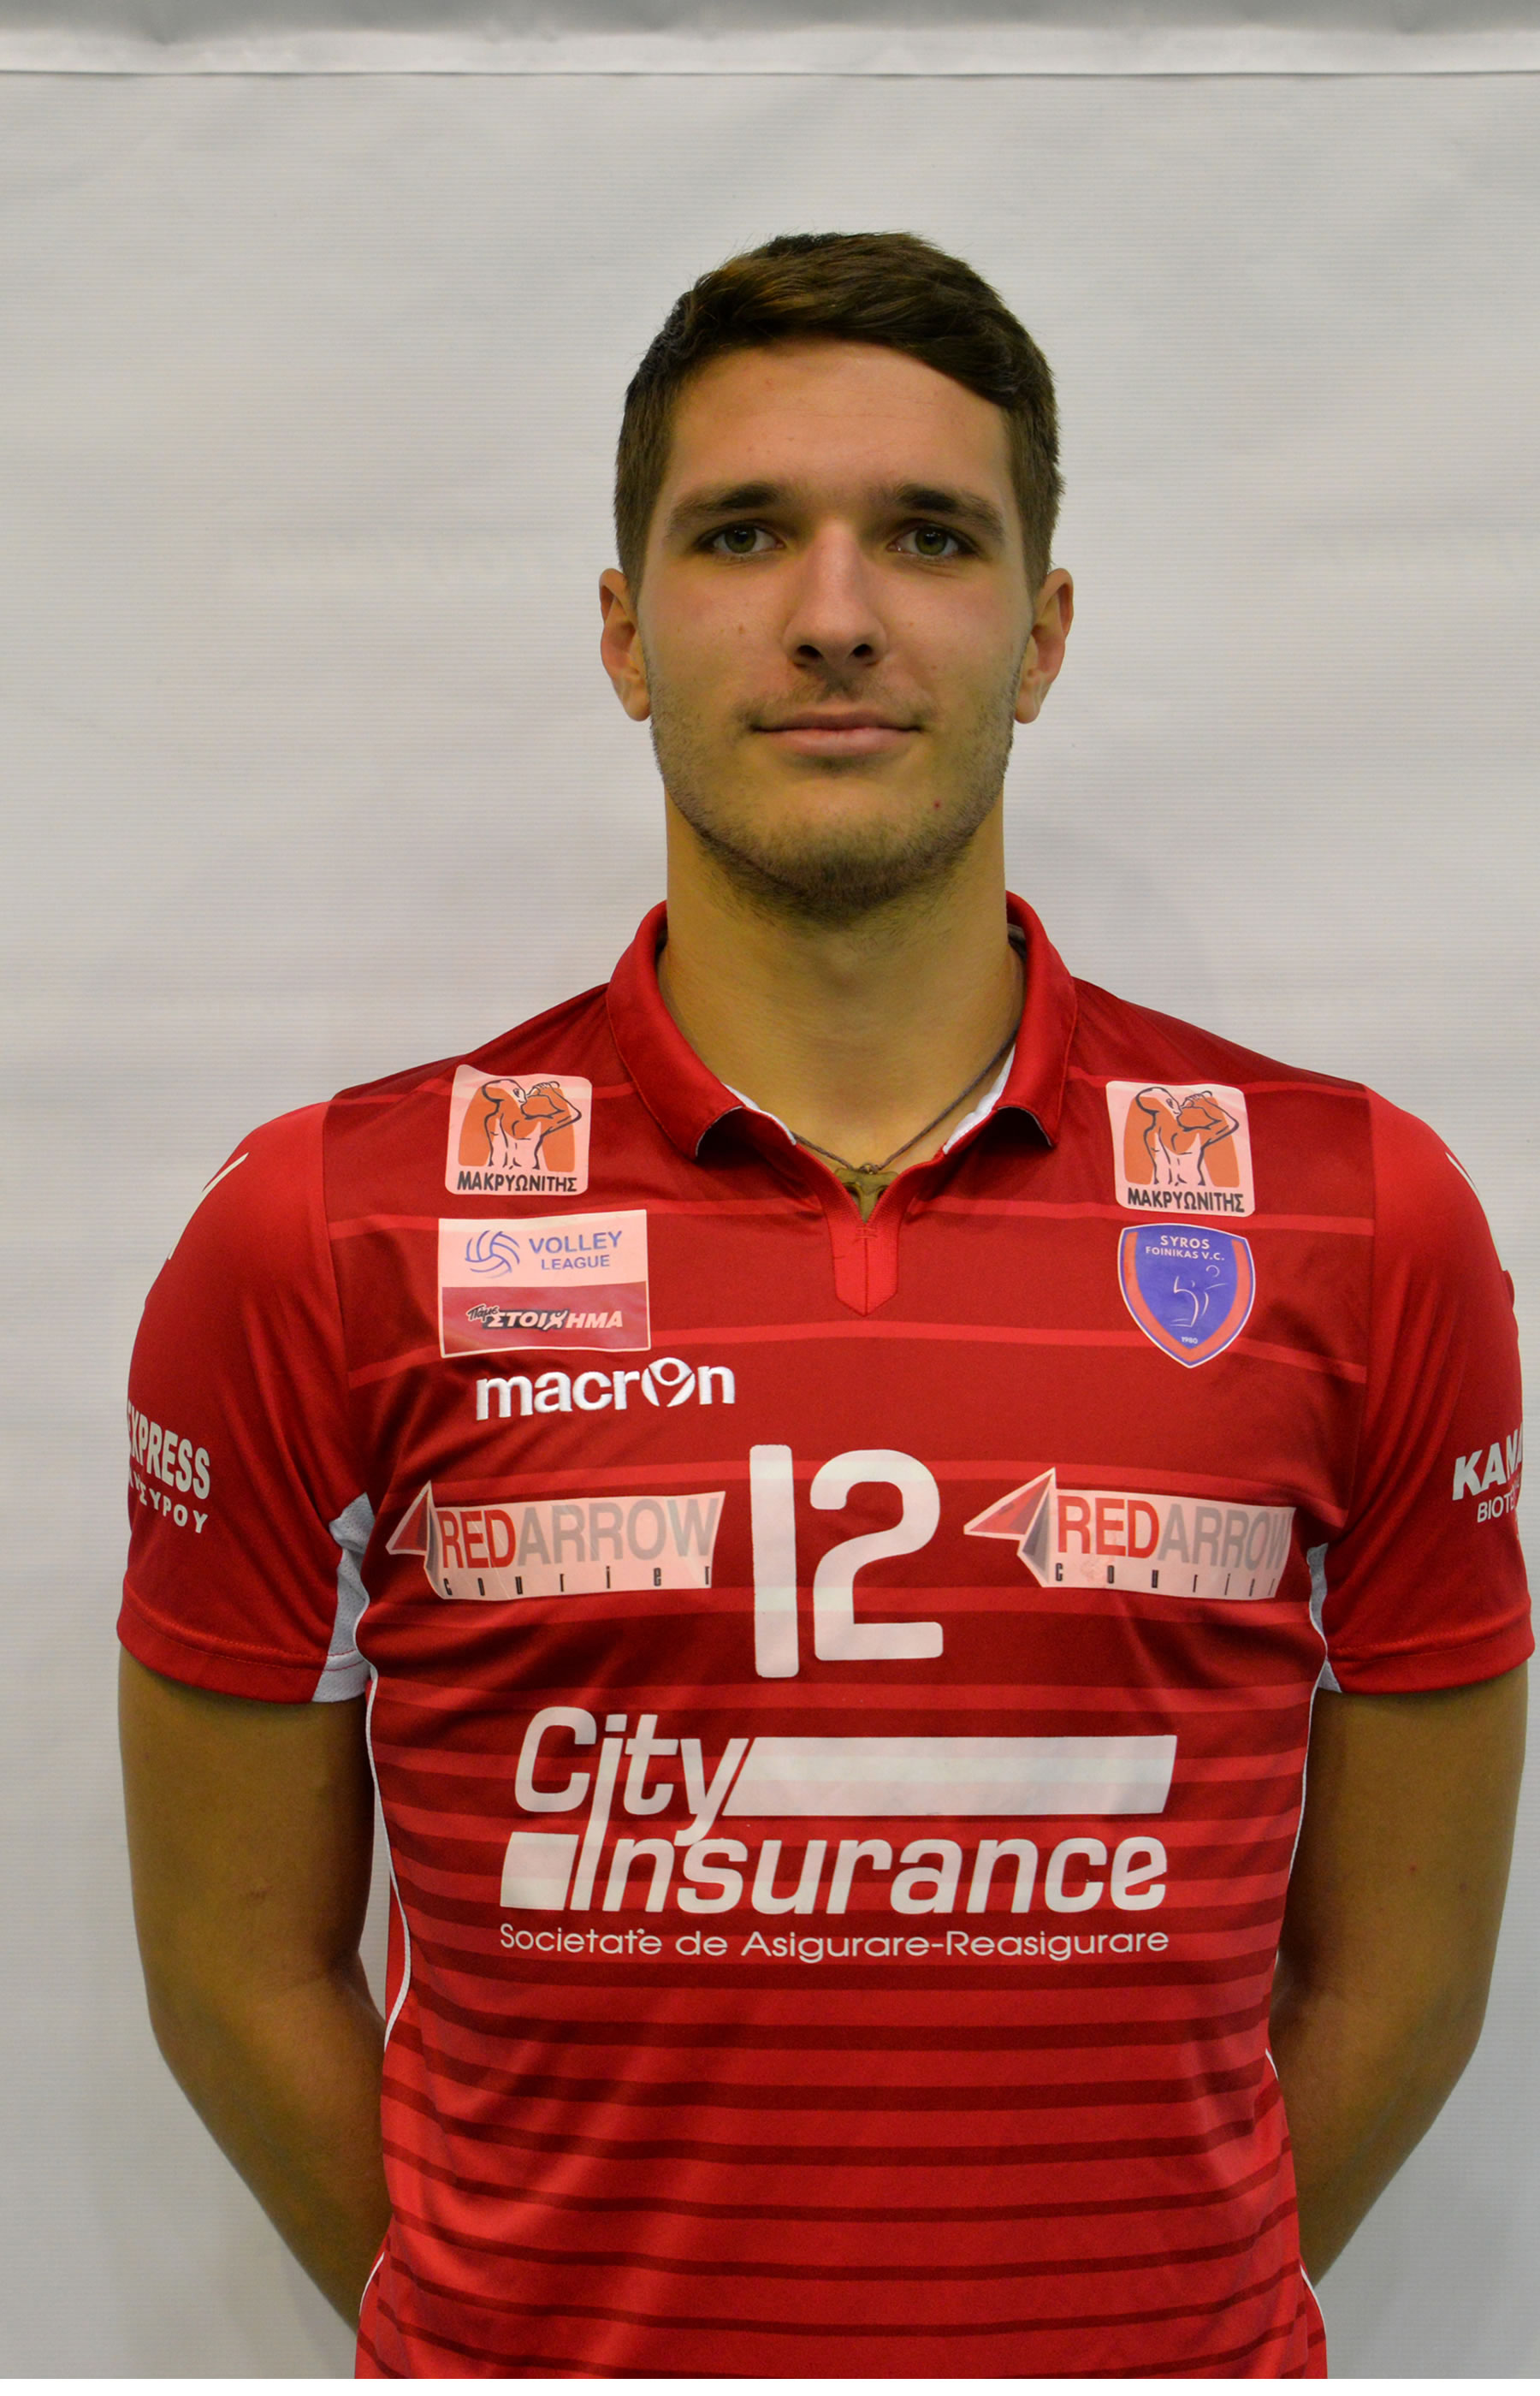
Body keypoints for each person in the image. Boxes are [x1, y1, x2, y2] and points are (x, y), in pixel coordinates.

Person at [118, 231, 1530, 2380]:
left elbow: (1399, 1987)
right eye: (744, 532)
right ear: (625, 629)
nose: (838, 612)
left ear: (1043, 633)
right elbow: (236, 1976)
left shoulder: (1360, 1220)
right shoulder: (325, 1232)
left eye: (932, 536)